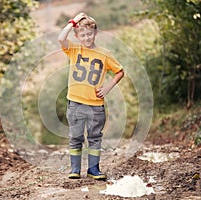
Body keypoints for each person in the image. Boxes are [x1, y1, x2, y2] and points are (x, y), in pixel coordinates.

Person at [58, 12, 124, 180]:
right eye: (83, 35)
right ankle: (75, 169)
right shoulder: (73, 49)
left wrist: (107, 88)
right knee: (76, 137)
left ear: (95, 33)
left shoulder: (105, 53)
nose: (87, 38)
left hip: (96, 104)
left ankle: (93, 169)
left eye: (90, 34)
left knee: (95, 137)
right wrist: (74, 21)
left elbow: (119, 71)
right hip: (75, 103)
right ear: (77, 36)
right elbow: (61, 38)